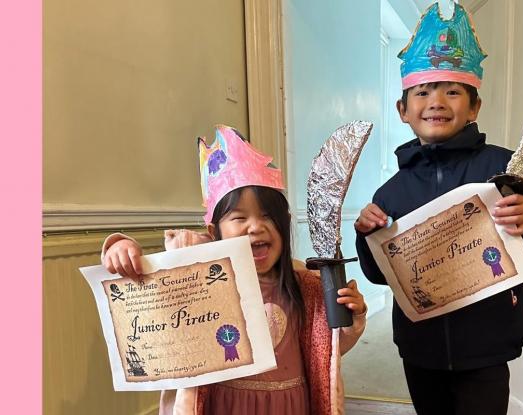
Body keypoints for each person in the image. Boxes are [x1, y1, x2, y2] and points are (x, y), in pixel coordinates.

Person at [353, 3, 523, 415]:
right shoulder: (390, 192)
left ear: (474, 107)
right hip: (420, 346)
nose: (436, 101)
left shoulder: (509, 169)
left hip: (486, 346)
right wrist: (368, 236)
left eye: (452, 91)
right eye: (422, 91)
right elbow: (379, 274)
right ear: (403, 111)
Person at [102, 125, 367, 415]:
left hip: (291, 404)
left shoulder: (301, 286)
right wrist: (121, 248)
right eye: (239, 217)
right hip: (227, 405)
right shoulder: (199, 281)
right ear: (214, 231)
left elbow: (326, 352)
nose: (256, 226)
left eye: (268, 216)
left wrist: (349, 318)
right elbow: (151, 280)